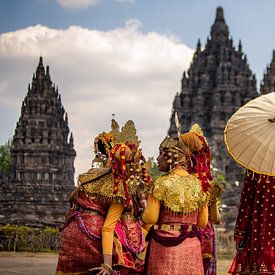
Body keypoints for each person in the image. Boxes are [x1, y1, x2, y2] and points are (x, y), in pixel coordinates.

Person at [55, 119, 150, 275]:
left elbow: (71, 199)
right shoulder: (120, 187)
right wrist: (107, 264)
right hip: (92, 234)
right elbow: (108, 227)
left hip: (73, 228)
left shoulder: (92, 175)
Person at [142, 134, 209, 275]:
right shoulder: (200, 185)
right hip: (190, 246)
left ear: (170, 157)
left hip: (163, 247)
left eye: (161, 154)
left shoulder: (161, 183)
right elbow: (202, 223)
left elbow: (150, 218)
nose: (157, 159)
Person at [181, 124, 223, 275]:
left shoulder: (172, 180)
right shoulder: (207, 183)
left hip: (178, 234)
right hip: (204, 235)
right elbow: (215, 218)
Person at [229, 169, 275, 274]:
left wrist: (240, 232)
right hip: (260, 234)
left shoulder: (256, 168)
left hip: (259, 235)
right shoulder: (254, 169)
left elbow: (246, 203)